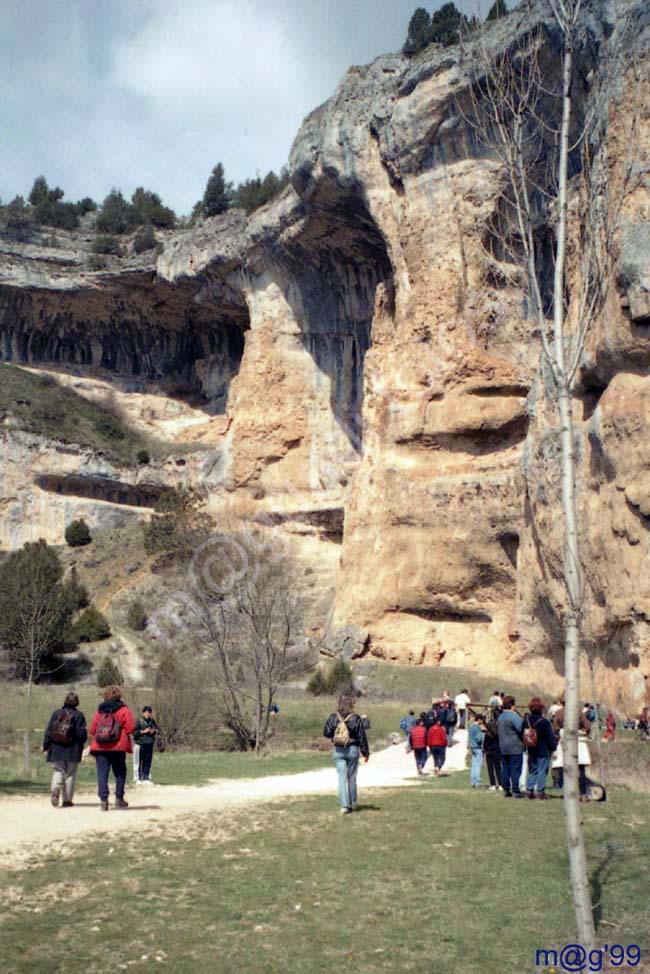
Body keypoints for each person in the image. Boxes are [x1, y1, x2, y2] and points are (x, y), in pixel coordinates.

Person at [89, 685, 136, 811]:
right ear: (119, 696)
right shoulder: (123, 710)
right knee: (120, 772)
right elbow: (131, 727)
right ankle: (119, 799)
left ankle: (104, 801)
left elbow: (92, 729)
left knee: (102, 774)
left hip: (100, 747)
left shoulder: (100, 710)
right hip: (118, 747)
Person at [323, 691, 369, 814]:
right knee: (352, 777)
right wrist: (365, 753)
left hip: (338, 749)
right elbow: (361, 736)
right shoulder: (355, 718)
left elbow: (326, 732)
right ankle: (353, 803)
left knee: (341, 778)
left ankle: (344, 806)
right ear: (351, 704)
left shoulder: (334, 717)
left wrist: (335, 734)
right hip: (352, 749)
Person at [43, 692, 87, 808]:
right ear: (77, 702)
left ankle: (55, 790)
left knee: (58, 770)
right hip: (73, 749)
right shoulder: (79, 715)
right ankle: (67, 800)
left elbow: (48, 731)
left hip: (57, 748)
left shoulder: (56, 713)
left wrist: (46, 746)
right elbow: (82, 734)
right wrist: (82, 744)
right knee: (70, 774)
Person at [523, 698, 558, 800]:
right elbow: (550, 737)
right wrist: (553, 748)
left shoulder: (526, 720)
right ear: (541, 709)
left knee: (532, 770)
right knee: (542, 770)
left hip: (531, 748)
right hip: (543, 749)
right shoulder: (545, 722)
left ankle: (529, 791)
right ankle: (540, 792)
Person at [497, 696, 525, 798]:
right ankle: (516, 790)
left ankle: (506, 789)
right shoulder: (514, 717)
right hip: (515, 747)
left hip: (503, 746)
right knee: (515, 770)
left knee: (505, 769)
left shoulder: (500, 717)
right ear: (512, 705)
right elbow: (521, 729)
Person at [134, 705, 159, 785]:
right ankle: (137, 778)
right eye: (146, 712)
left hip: (149, 744)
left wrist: (153, 731)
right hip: (140, 744)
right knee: (138, 762)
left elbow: (157, 729)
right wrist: (144, 731)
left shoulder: (152, 721)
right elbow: (134, 733)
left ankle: (146, 777)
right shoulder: (139, 721)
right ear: (143, 712)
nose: (148, 714)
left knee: (147, 761)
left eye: (149, 712)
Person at [483, 715, 502, 790]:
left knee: (490, 769)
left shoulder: (487, 735)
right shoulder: (497, 735)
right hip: (496, 751)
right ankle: (501, 784)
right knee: (498, 768)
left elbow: (484, 745)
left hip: (489, 752)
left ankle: (493, 784)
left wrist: (485, 750)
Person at [468, 714, 485, 787]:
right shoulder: (477, 728)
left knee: (473, 764)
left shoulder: (471, 727)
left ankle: (472, 780)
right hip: (477, 747)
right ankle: (478, 781)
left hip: (472, 747)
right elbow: (479, 739)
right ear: (479, 720)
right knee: (478, 765)